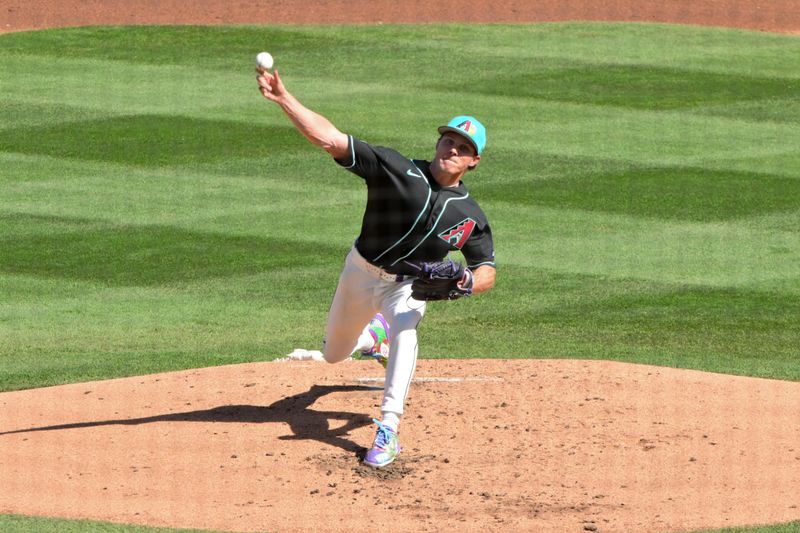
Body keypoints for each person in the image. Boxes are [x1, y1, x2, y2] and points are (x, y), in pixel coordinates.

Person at [257, 67, 496, 468]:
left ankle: (388, 428)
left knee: (407, 329)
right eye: (448, 139)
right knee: (335, 354)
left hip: (408, 287)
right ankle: (372, 341)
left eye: (462, 146)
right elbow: (330, 138)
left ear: (474, 161)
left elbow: (487, 270)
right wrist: (284, 98)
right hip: (361, 272)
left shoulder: (471, 215)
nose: (452, 148)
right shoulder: (396, 168)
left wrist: (464, 280)